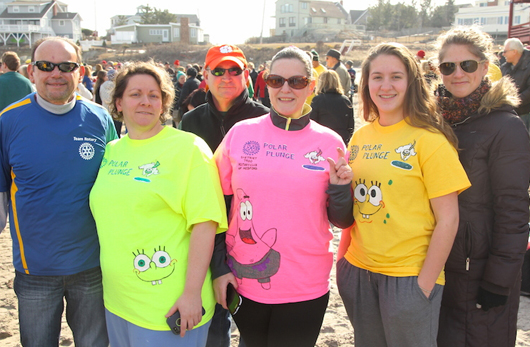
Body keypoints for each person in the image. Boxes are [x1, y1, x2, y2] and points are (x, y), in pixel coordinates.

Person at [214, 46, 353, 347]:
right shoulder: (240, 134)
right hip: (245, 277)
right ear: (266, 83)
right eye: (277, 81)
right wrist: (218, 268)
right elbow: (216, 208)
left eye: (297, 81)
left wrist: (340, 189)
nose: (286, 89)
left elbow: (341, 220)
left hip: (305, 281)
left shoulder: (330, 143)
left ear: (311, 86)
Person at [336, 42, 471, 347]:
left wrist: (423, 285)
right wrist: (342, 262)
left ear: (411, 82)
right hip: (358, 271)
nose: (386, 86)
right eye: (377, 77)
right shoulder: (360, 136)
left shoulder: (429, 139)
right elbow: (355, 207)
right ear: (366, 83)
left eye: (396, 76)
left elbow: (448, 219)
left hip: (409, 277)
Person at [89, 61, 227, 347]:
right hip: (118, 301)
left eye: (154, 95)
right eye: (135, 94)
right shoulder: (113, 150)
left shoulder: (188, 148)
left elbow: (205, 224)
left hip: (169, 307)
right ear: (118, 102)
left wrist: (191, 295)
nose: (145, 102)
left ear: (164, 102)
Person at [0, 36, 117, 347]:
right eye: (46, 65)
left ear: (79, 71)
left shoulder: (99, 119)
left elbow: (118, 188)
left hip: (93, 266)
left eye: (66, 66)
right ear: (31, 71)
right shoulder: (8, 121)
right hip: (35, 269)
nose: (56, 73)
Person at [435, 27, 530, 347]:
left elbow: (513, 211)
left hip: (479, 269)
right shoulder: (436, 122)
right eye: (448, 66)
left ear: (485, 65)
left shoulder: (506, 127)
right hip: (438, 263)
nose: (457, 73)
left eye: (467, 65)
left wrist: (499, 281)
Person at [180, 44, 269, 347]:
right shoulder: (191, 122)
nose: (226, 77)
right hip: (207, 232)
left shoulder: (264, 119)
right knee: (215, 325)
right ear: (205, 75)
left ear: (247, 75)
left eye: (234, 70)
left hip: (251, 233)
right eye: (218, 70)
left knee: (256, 325)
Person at [500, 38, 530, 131]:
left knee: (520, 143)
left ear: (514, 51)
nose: (503, 54)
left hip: (522, 114)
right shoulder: (504, 67)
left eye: (505, 51)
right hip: (505, 112)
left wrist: (513, 102)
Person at [309, 70, 354, 145]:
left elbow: (312, 124)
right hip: (342, 141)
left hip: (323, 141)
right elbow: (350, 126)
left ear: (320, 82)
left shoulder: (318, 100)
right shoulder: (345, 100)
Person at [101, 68, 123, 137]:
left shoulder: (102, 85)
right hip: (116, 112)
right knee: (117, 133)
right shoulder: (116, 86)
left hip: (105, 111)